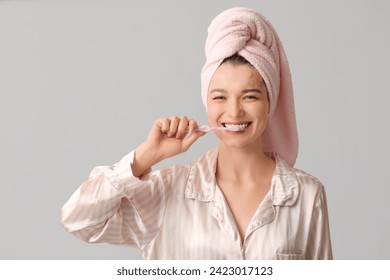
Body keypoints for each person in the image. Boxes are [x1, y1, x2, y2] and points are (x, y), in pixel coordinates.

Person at [61, 7, 333, 259]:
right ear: (207, 102)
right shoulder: (168, 191)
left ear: (270, 102)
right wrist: (145, 156)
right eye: (219, 98)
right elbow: (79, 220)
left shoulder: (307, 195)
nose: (234, 111)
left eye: (250, 97)